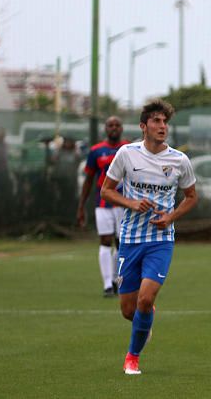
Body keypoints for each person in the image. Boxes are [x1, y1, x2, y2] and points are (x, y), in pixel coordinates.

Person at [100, 100, 198, 376]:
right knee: (129, 310)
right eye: (156, 121)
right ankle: (145, 316)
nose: (162, 126)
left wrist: (170, 217)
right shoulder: (127, 154)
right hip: (130, 239)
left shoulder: (179, 160)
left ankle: (132, 358)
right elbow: (106, 191)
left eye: (165, 121)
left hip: (161, 239)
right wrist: (131, 203)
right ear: (143, 126)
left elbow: (191, 197)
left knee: (145, 299)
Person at [76, 116, 129, 297]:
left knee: (122, 243)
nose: (114, 128)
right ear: (105, 129)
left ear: (122, 128)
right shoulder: (96, 151)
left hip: (125, 204)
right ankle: (107, 284)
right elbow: (89, 179)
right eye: (110, 125)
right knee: (105, 241)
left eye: (117, 124)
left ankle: (116, 279)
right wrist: (81, 206)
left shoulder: (129, 149)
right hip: (103, 204)